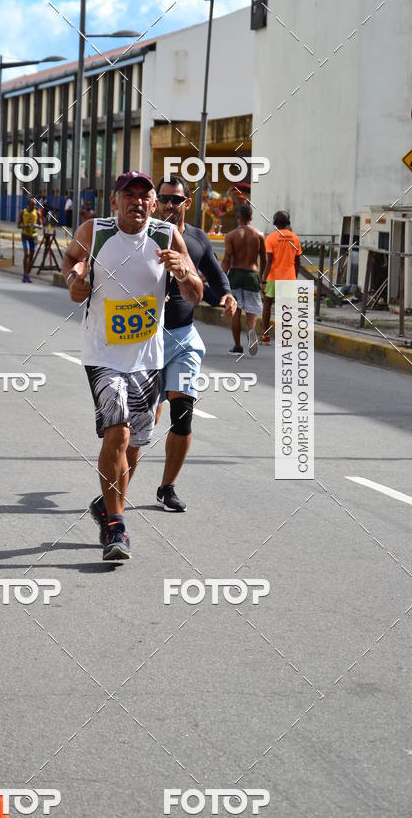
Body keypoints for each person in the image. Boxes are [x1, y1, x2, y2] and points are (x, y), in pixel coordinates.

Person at [61, 170, 203, 561]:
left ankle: (107, 507)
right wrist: (75, 278)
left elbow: (196, 292)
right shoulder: (95, 231)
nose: (137, 201)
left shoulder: (166, 236)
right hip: (103, 354)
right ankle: (116, 527)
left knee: (136, 444)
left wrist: (182, 271)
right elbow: (72, 260)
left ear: (154, 204)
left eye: (145, 196)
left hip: (148, 359)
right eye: (129, 195)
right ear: (115, 201)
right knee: (118, 434)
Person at [154, 175, 237, 511]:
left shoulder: (198, 239)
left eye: (176, 199)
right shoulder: (143, 236)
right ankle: (116, 488)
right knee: (142, 423)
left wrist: (227, 295)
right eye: (164, 198)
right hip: (145, 340)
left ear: (187, 203)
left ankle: (167, 488)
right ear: (156, 202)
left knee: (183, 415)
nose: (169, 205)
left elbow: (215, 277)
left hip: (184, 337)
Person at [222, 204, 266, 356]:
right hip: (252, 275)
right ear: (251, 218)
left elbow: (226, 260)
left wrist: (221, 277)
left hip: (235, 274)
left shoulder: (231, 235)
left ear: (238, 217)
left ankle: (237, 346)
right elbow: (264, 260)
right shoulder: (259, 235)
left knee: (236, 311)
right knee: (252, 311)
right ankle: (252, 330)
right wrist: (262, 279)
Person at [260, 210, 302, 344]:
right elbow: (298, 262)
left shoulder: (271, 238)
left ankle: (266, 335)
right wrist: (294, 277)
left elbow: (269, 261)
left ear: (274, 223)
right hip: (289, 278)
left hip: (273, 278)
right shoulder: (294, 238)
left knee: (267, 305)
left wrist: (263, 280)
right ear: (288, 222)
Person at [17, 197, 41, 283]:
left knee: (31, 257)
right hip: (25, 236)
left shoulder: (37, 213)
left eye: (34, 205)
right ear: (28, 205)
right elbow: (18, 225)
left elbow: (41, 225)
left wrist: (37, 226)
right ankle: (24, 274)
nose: (33, 207)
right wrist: (26, 226)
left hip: (34, 237)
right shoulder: (23, 212)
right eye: (32, 205)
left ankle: (27, 274)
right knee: (26, 254)